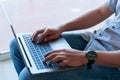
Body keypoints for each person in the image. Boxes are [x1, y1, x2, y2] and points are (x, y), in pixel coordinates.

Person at [10, 0, 120, 80]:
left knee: (29, 77)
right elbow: (101, 11)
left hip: (111, 64)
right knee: (17, 45)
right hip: (95, 40)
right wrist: (60, 28)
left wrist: (84, 56)